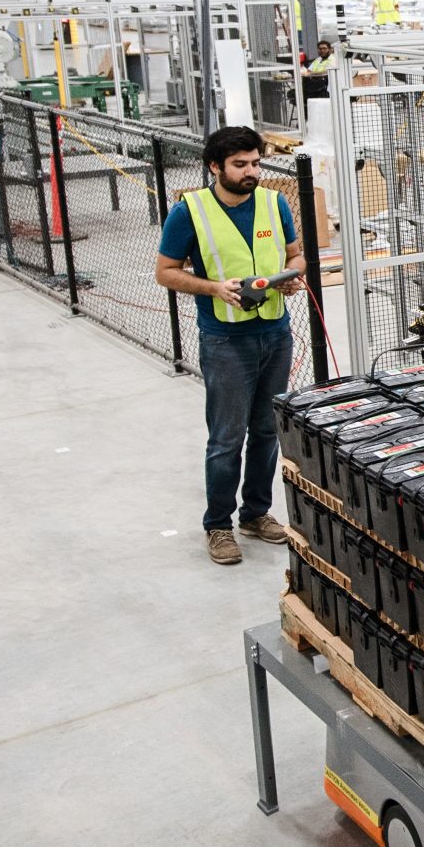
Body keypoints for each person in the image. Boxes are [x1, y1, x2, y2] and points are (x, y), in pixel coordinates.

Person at [154, 126, 304, 566]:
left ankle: (256, 513)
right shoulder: (190, 212)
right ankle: (218, 524)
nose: (251, 172)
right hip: (225, 340)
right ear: (215, 166)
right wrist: (214, 288)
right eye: (241, 165)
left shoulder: (274, 203)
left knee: (266, 431)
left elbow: (296, 255)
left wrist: (293, 275)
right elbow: (166, 271)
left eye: (256, 163)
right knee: (226, 437)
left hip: (274, 332)